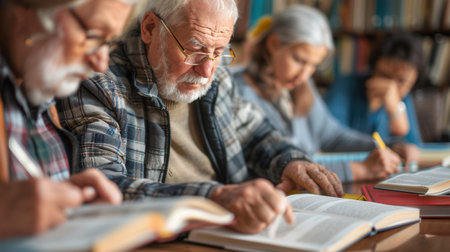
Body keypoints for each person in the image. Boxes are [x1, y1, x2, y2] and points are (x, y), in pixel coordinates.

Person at [58, 0, 344, 234]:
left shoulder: (217, 77)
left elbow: (257, 132)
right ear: (149, 28)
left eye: (219, 52)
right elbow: (103, 190)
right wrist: (215, 198)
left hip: (235, 232)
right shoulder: (99, 84)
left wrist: (290, 161)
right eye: (195, 50)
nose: (207, 70)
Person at [0, 0, 135, 239]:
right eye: (93, 35)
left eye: (109, 42)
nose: (101, 63)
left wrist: (72, 200)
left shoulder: (39, 86)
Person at [233, 5, 402, 183]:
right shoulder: (240, 93)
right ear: (274, 44)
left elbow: (332, 136)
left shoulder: (300, 86)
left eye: (313, 65)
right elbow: (274, 165)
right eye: (299, 60)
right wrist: (358, 170)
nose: (305, 75)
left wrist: (387, 146)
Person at [325, 33, 422, 164]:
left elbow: (414, 146)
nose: (390, 86)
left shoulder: (404, 98)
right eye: (383, 75)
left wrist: (395, 109)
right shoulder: (344, 86)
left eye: (401, 80)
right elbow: (332, 138)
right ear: (371, 69)